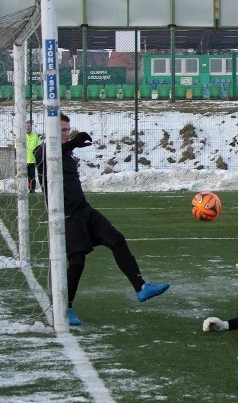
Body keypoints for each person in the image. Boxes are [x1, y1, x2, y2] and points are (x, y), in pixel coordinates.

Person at [34, 113, 169, 326]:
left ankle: (141, 287)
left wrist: (71, 145)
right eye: (62, 130)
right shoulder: (43, 151)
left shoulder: (66, 153)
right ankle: (64, 308)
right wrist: (71, 144)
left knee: (117, 239)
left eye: (68, 130)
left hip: (84, 211)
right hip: (65, 217)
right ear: (50, 132)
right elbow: (46, 154)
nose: (67, 134)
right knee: (77, 262)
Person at [25, 120, 42, 193]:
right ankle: (22, 189)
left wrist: (36, 155)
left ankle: (32, 190)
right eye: (26, 126)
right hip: (23, 160)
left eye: (29, 126)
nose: (27, 128)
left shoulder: (35, 135)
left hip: (32, 160)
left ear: (31, 127)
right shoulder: (21, 135)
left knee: (31, 176)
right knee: (22, 177)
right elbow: (17, 147)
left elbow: (39, 146)